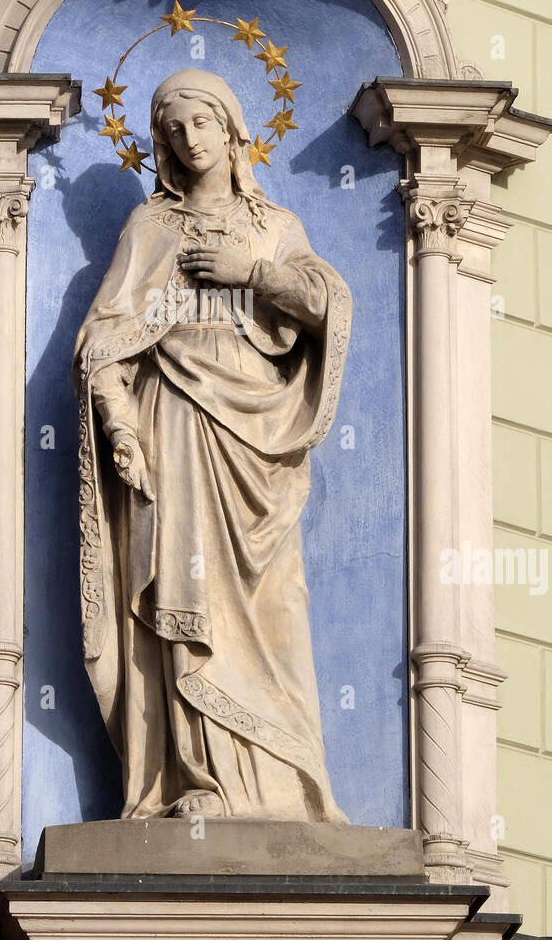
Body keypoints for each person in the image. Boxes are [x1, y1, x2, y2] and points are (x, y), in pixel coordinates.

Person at [73, 68, 352, 821]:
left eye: (201, 123)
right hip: (174, 424)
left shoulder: (275, 227)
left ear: (233, 132)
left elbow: (326, 305)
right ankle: (194, 779)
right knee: (179, 595)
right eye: (172, 129)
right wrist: (122, 425)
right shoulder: (150, 229)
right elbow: (104, 340)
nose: (188, 139)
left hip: (254, 438)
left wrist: (250, 274)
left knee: (270, 605)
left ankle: (280, 785)